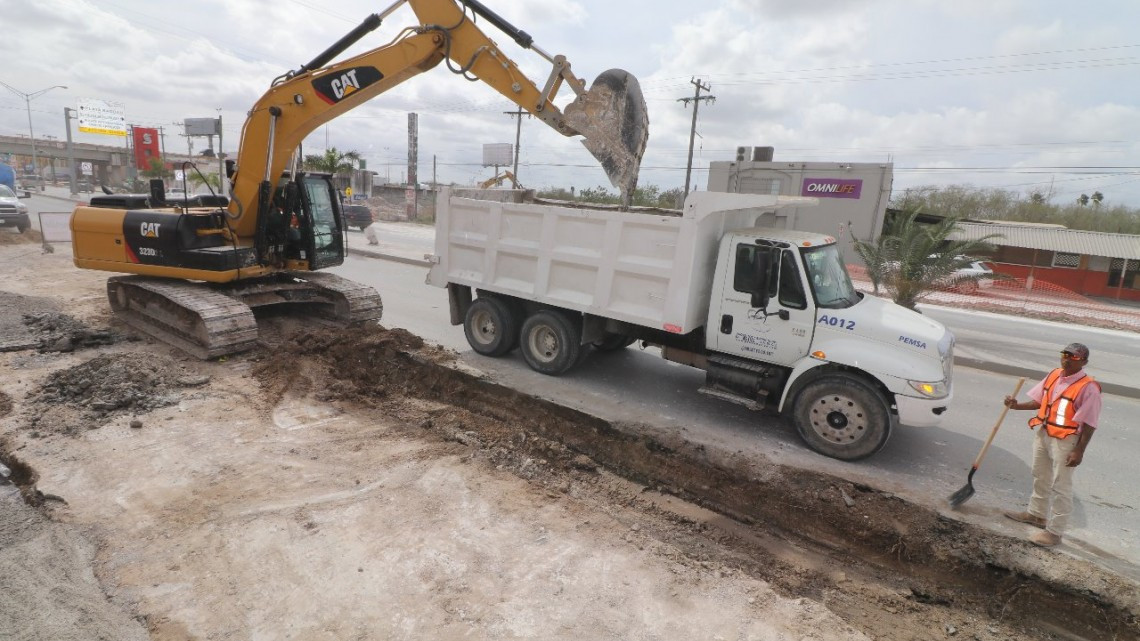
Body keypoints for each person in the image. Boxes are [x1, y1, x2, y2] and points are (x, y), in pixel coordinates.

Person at [1002, 342, 1101, 547]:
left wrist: (1079, 450)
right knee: (1040, 475)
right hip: (1044, 432)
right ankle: (1036, 514)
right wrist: (1016, 406)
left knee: (1061, 485)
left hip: (1066, 440)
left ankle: (1055, 532)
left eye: (1073, 357)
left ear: (1084, 362)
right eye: (1065, 354)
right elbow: (1040, 401)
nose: (1067, 359)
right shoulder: (1054, 374)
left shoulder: (1088, 387)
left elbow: (1090, 423)